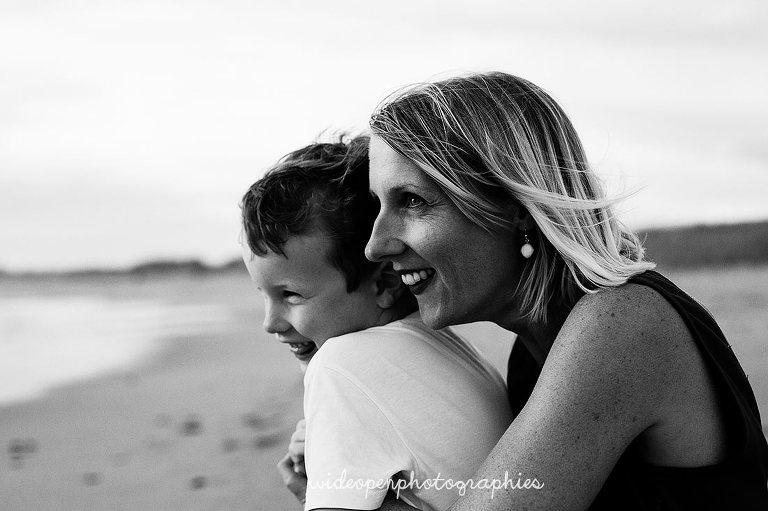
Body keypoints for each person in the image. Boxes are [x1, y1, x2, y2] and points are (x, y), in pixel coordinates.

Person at [364, 72, 768, 510]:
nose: (375, 246)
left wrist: (349, 492)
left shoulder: (619, 325)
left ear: (518, 208)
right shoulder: (533, 353)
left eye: (413, 201)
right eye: (377, 205)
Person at [240, 136, 513, 510]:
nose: (271, 323)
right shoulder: (449, 348)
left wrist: (312, 489)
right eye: (263, 293)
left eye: (291, 295)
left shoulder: (338, 364)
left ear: (384, 283)